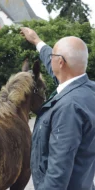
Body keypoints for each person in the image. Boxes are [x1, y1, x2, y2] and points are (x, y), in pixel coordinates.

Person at [20, 27, 95, 190]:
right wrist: (37, 41)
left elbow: (57, 176)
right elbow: (55, 66)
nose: (50, 59)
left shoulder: (69, 107)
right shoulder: (87, 90)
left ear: (60, 62)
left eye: (53, 56)